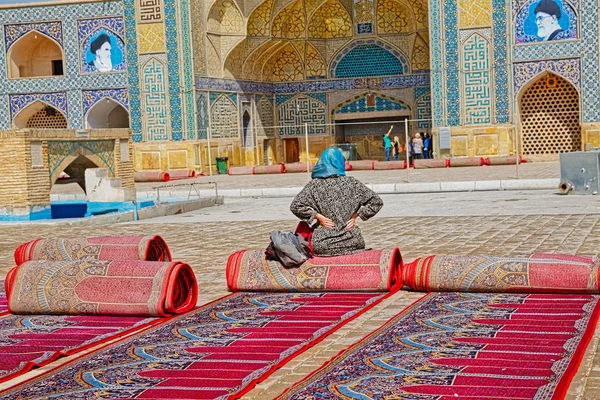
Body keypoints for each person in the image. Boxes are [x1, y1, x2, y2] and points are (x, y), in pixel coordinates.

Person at [290, 148, 383, 257]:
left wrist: (317, 216)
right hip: (352, 240)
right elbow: (376, 202)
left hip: (323, 243)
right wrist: (356, 215)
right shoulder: (352, 183)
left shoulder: (314, 185)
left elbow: (295, 206)